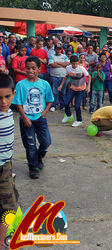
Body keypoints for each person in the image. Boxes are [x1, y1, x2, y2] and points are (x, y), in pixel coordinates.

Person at [12, 56, 54, 179]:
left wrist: (44, 112)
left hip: (40, 118)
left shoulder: (44, 84)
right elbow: (18, 103)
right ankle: (33, 167)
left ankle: (38, 157)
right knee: (30, 144)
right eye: (28, 68)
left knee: (46, 142)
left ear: (39, 69)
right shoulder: (20, 85)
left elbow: (50, 100)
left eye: (33, 68)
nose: (30, 71)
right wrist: (24, 117)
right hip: (26, 119)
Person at [0, 74, 18, 245]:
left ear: (13, 94)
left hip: (7, 165)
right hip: (1, 168)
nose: (3, 102)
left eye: (7, 97)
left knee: (11, 201)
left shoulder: (9, 112)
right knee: (9, 208)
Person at [58, 55, 91, 127]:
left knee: (77, 105)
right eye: (73, 64)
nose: (75, 65)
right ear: (70, 63)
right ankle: (68, 115)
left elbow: (89, 76)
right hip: (72, 88)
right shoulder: (68, 68)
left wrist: (88, 87)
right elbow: (66, 77)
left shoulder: (81, 69)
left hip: (81, 89)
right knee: (66, 103)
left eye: (76, 63)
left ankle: (79, 120)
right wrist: (61, 85)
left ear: (78, 63)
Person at [48, 46, 69, 112]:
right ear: (55, 50)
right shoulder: (51, 56)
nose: (59, 50)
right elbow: (52, 65)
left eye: (60, 49)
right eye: (57, 49)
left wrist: (57, 63)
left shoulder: (64, 56)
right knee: (54, 92)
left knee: (63, 92)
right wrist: (62, 65)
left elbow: (67, 64)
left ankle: (62, 105)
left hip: (63, 76)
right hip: (54, 76)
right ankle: (53, 105)